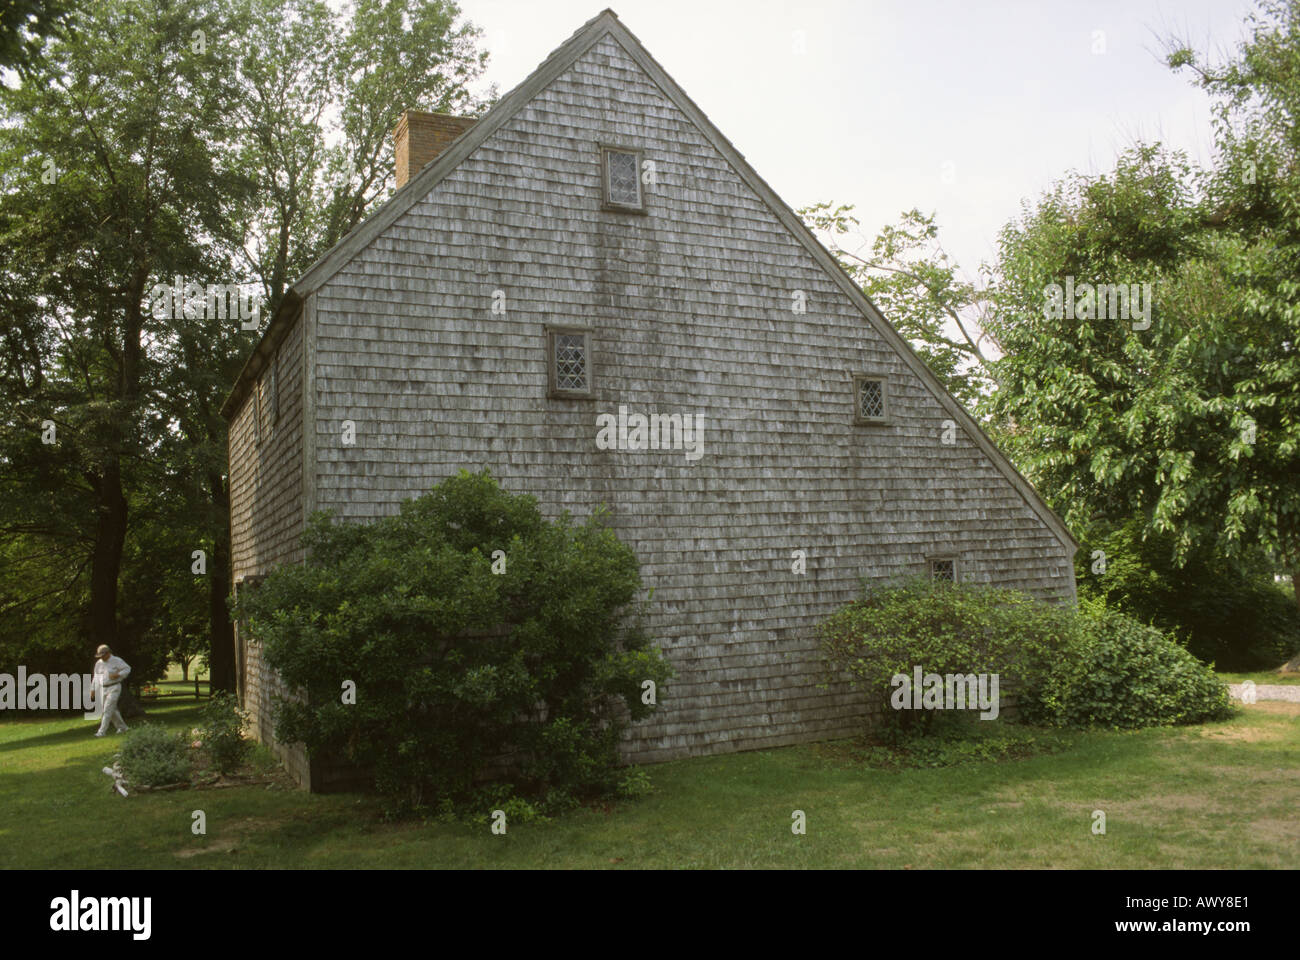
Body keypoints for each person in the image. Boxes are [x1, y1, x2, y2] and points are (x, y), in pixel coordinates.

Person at [91, 644, 130, 737]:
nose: (101, 658)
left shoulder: (117, 660)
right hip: (103, 688)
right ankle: (123, 727)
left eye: (103, 655)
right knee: (112, 710)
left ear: (108, 653)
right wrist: (92, 689)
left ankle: (101, 731)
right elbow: (96, 677)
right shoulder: (99, 663)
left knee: (107, 709)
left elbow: (127, 669)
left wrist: (118, 674)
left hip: (114, 687)